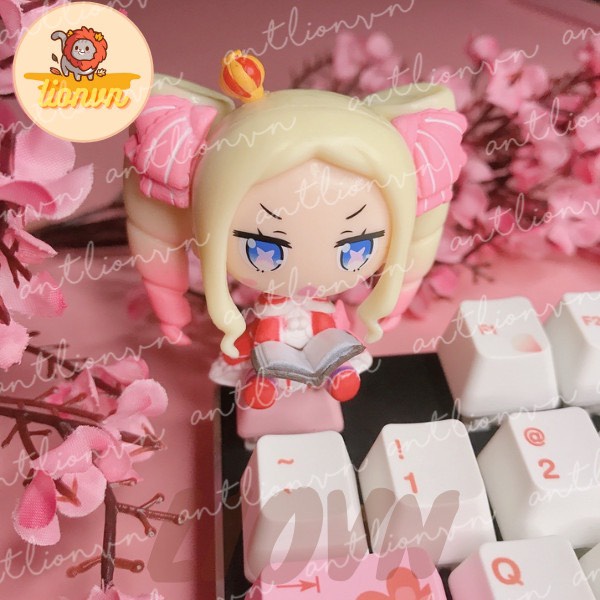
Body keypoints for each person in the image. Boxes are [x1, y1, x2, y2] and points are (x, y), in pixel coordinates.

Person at [124, 51, 467, 410]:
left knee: (335, 349)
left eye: (356, 249)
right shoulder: (266, 311)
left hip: (320, 343)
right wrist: (240, 346)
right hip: (270, 347)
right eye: (263, 249)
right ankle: (265, 383)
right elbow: (250, 339)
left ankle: (334, 373)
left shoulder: (325, 310)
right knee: (266, 362)